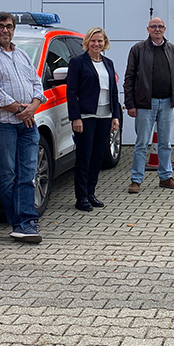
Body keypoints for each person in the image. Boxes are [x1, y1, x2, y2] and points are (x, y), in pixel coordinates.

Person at [0, 12, 45, 244]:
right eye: (0, 26)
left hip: (27, 123)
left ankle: (27, 221)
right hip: (0, 125)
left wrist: (32, 106)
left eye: (10, 26)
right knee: (9, 176)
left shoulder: (22, 55)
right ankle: (20, 223)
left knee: (28, 174)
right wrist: (20, 110)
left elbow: (37, 83)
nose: (6, 30)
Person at [123, 17, 174, 194]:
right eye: (153, 27)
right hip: (144, 104)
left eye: (160, 27)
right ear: (148, 29)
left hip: (167, 103)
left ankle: (166, 177)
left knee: (165, 143)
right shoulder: (138, 49)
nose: (157, 29)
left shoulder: (172, 49)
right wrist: (130, 104)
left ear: (164, 29)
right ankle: (136, 180)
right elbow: (129, 78)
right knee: (142, 143)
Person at [67, 27, 122, 210]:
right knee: (85, 156)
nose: (96, 44)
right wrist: (75, 117)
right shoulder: (78, 62)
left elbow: (113, 91)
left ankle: (91, 193)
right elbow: (71, 92)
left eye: (100, 41)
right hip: (86, 116)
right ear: (87, 43)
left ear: (104, 42)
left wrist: (115, 115)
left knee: (98, 157)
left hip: (105, 116)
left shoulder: (108, 63)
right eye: (93, 41)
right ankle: (81, 197)